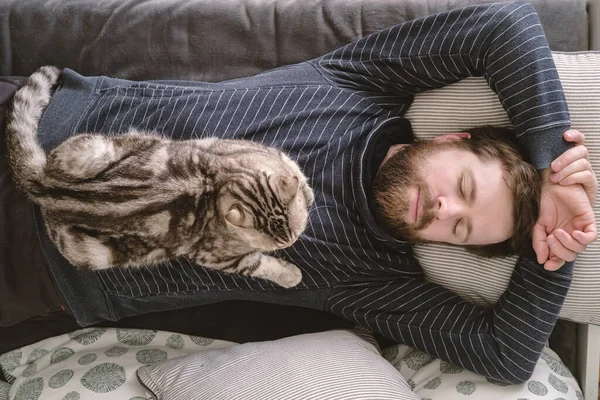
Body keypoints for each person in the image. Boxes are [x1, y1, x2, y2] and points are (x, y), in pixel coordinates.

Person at [2, 0, 597, 384]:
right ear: (452, 136)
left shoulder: (382, 284)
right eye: (463, 186)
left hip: (42, 269)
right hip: (37, 126)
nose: (446, 209)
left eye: (459, 229)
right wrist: (551, 164)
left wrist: (557, 246)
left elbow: (508, 356)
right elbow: (507, 23)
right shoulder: (361, 86)